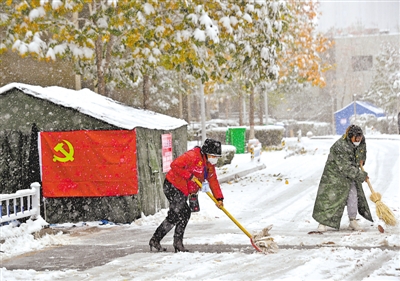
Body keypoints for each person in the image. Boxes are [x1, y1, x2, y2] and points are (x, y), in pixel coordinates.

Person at [149, 138, 224, 252]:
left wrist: (219, 198)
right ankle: (170, 242)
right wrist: (189, 175)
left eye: (217, 157)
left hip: (184, 190)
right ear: (207, 153)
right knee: (180, 213)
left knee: (181, 214)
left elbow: (213, 180)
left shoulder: (208, 165)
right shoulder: (192, 156)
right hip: (173, 186)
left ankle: (165, 241)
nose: (215, 159)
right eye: (214, 156)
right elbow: (174, 165)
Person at [312, 125, 373, 232]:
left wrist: (362, 159)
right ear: (350, 136)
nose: (358, 140)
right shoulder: (340, 146)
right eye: (356, 138)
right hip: (334, 174)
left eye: (360, 137)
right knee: (330, 198)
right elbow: (346, 167)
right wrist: (361, 175)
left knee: (353, 196)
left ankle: (353, 221)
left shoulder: (361, 141)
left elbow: (362, 151)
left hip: (351, 175)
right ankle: (322, 222)